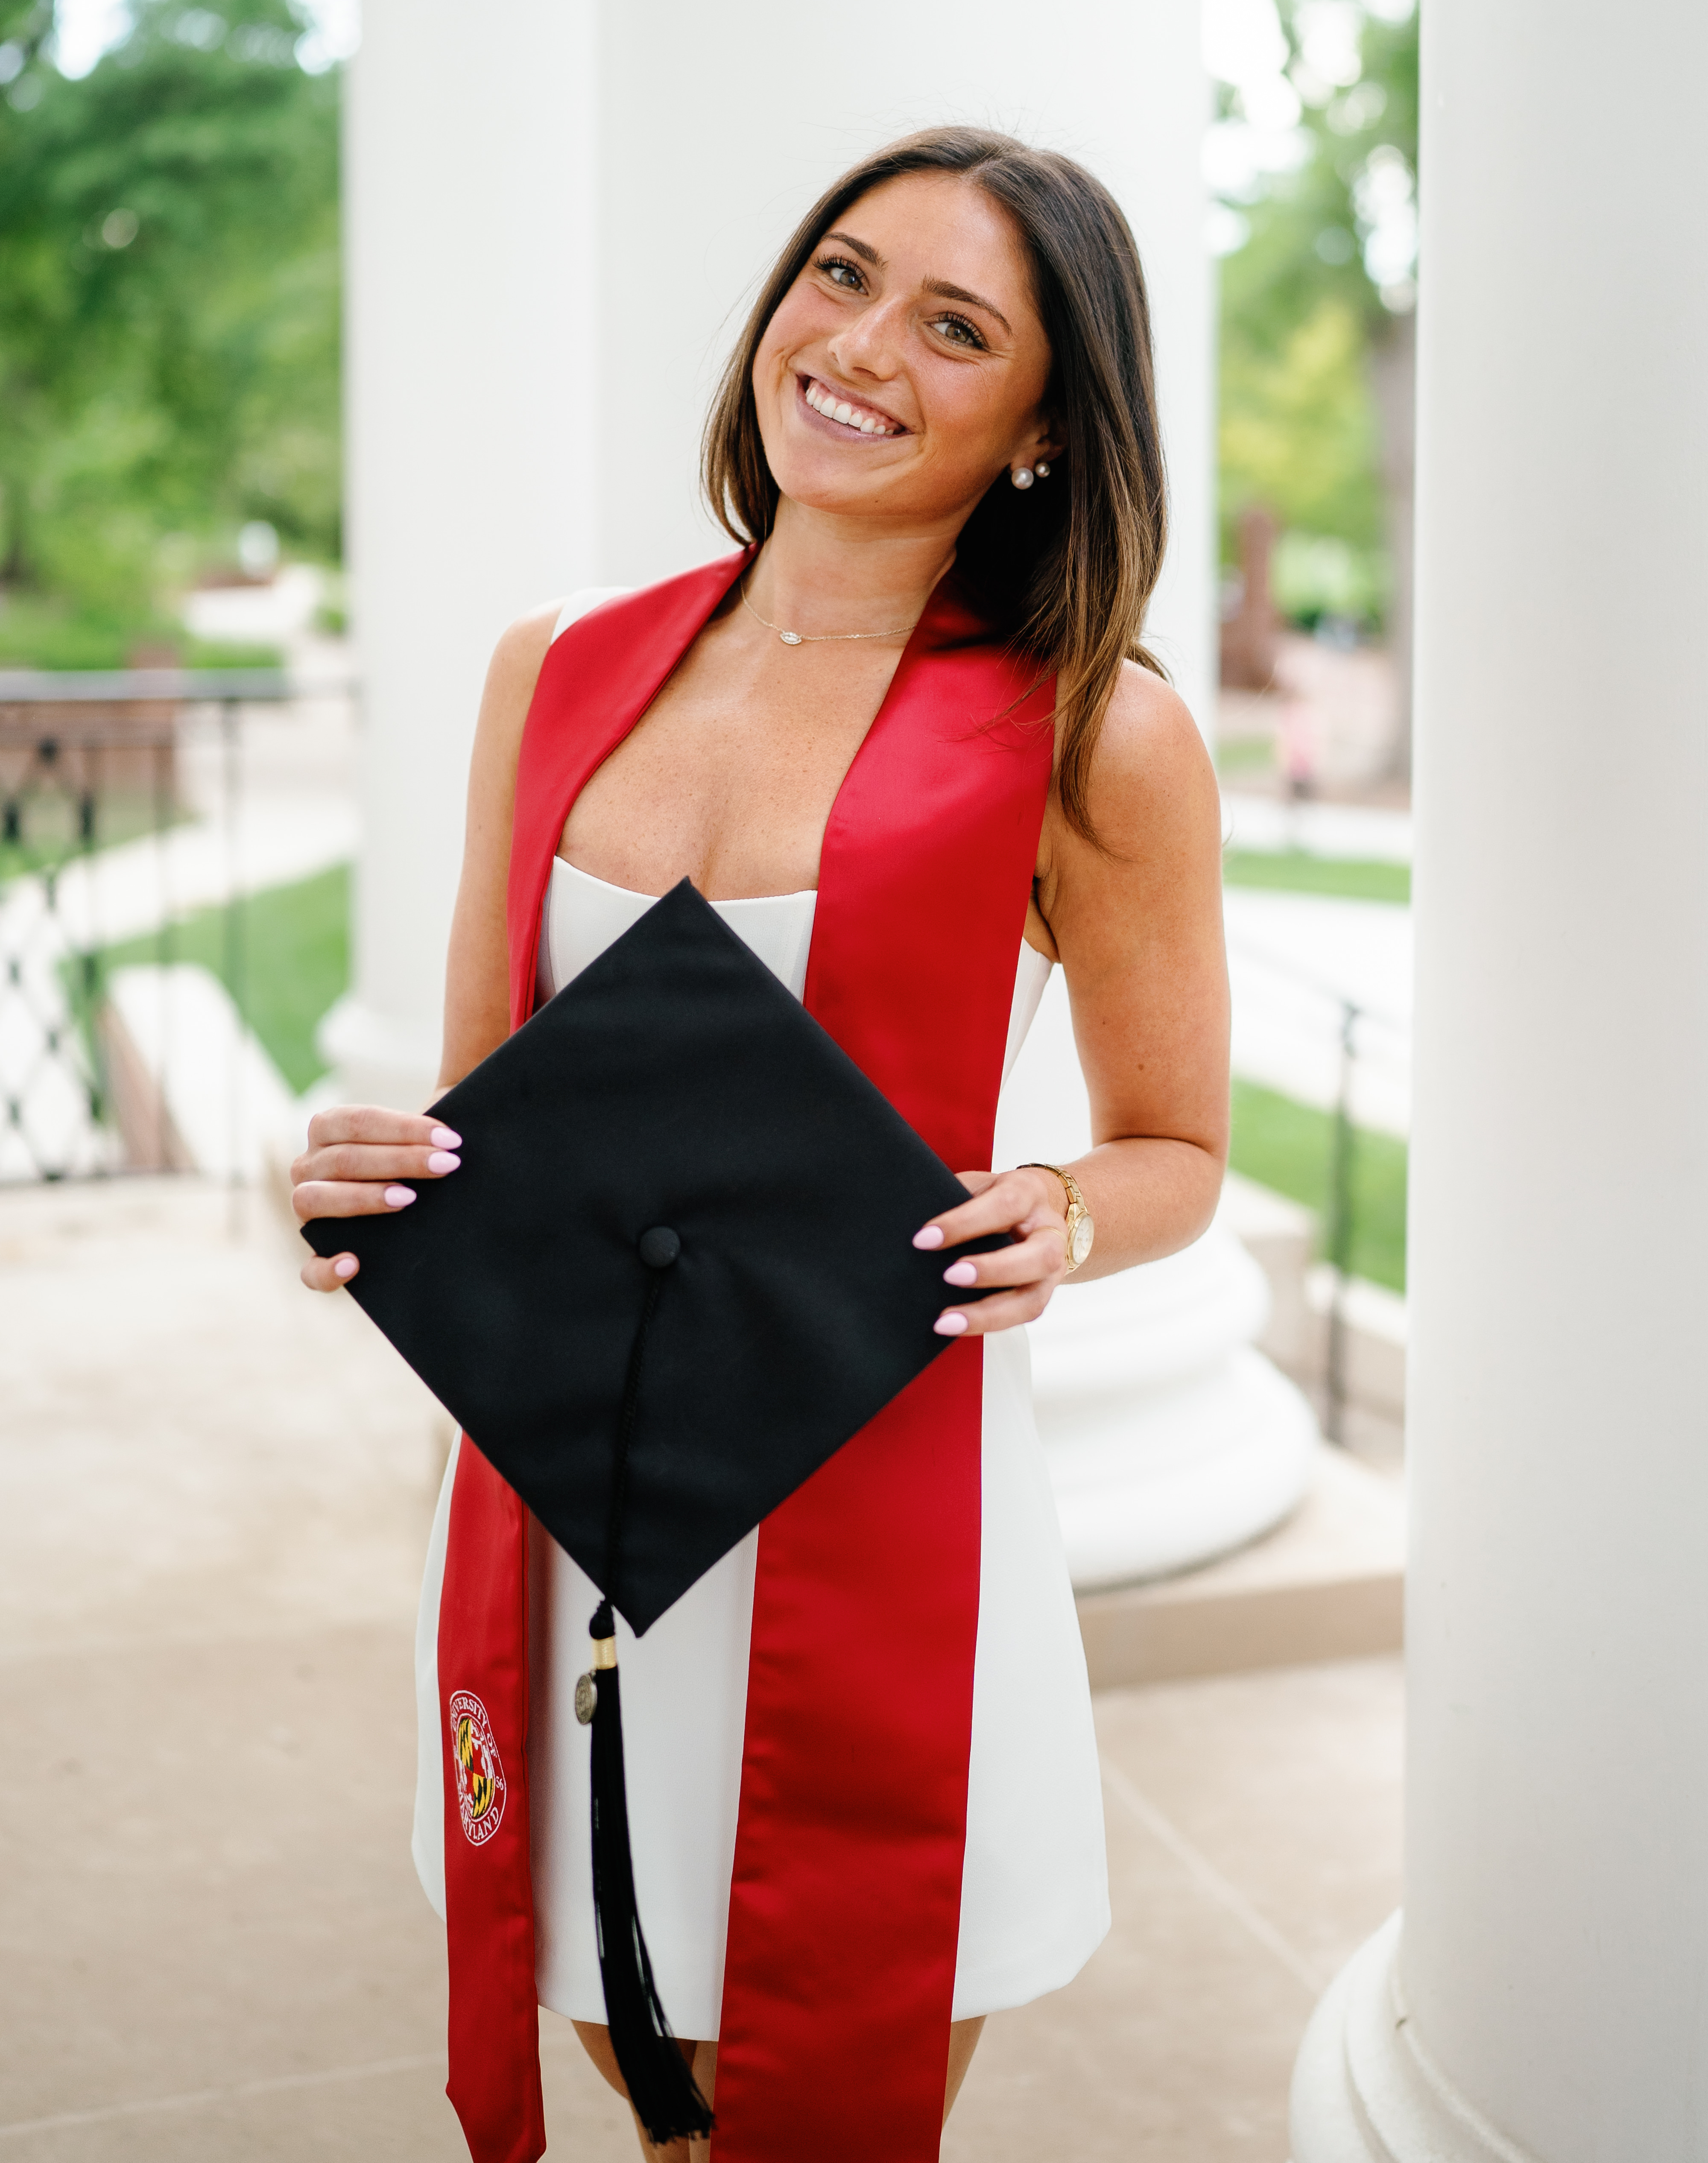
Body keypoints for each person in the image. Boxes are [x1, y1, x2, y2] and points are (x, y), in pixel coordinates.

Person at [291, 126, 1230, 2160]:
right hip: (573, 1514)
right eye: (841, 272)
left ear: (1046, 428)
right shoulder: (558, 666)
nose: (861, 343)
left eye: (954, 326)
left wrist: (1061, 1209)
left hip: (884, 1516)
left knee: (828, 2104)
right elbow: (486, 1118)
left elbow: (1174, 1144)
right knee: (655, 2100)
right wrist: (362, 1193)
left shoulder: (1094, 734)